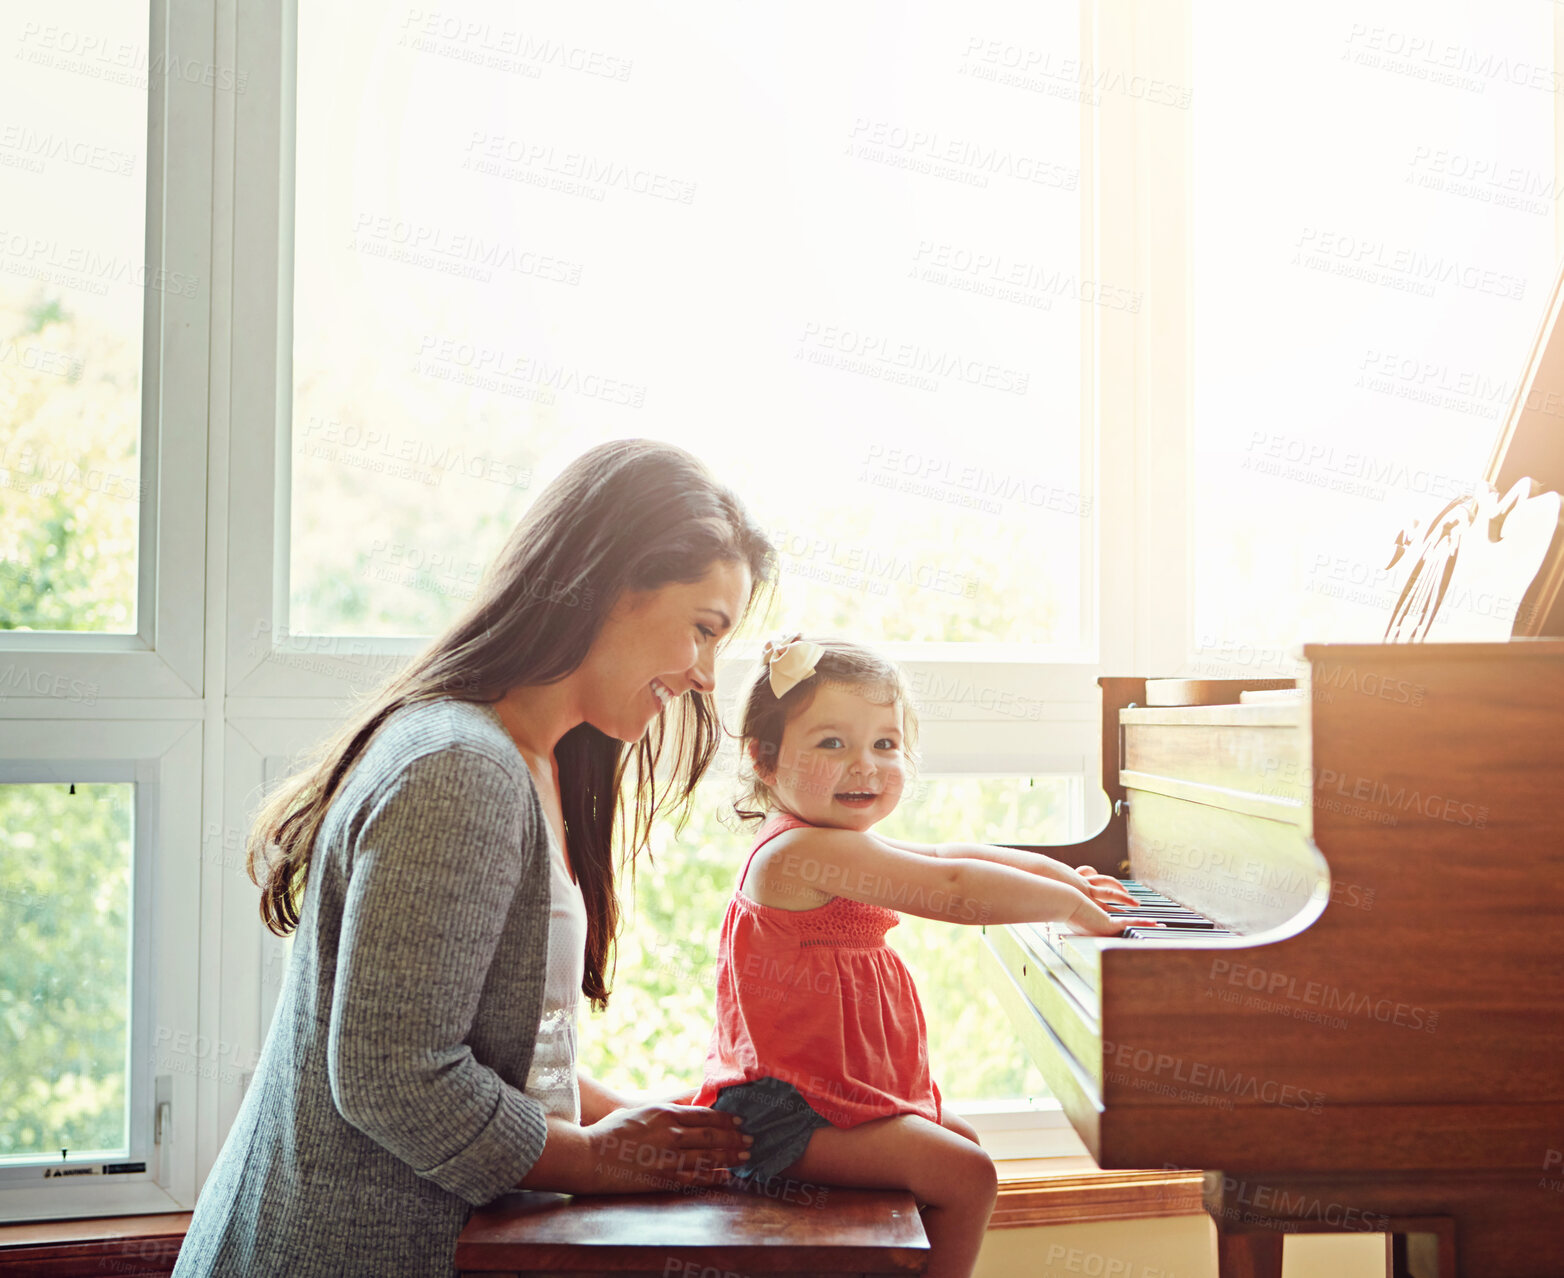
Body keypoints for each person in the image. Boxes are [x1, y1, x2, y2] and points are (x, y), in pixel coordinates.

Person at [173, 440, 775, 1278]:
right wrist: (602, 1159)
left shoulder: (532, 764)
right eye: (704, 629)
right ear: (612, 583)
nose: (708, 675)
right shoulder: (460, 769)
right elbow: (396, 1077)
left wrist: (662, 1123)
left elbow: (503, 1055)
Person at [693, 635, 1159, 1278]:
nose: (866, 765)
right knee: (967, 1173)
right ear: (765, 761)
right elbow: (952, 890)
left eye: (885, 744)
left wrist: (1066, 879)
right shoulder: (799, 854)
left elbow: (950, 856)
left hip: (835, 1098)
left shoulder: (836, 842)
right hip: (785, 1116)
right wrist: (1069, 908)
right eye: (832, 743)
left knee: (959, 1143)